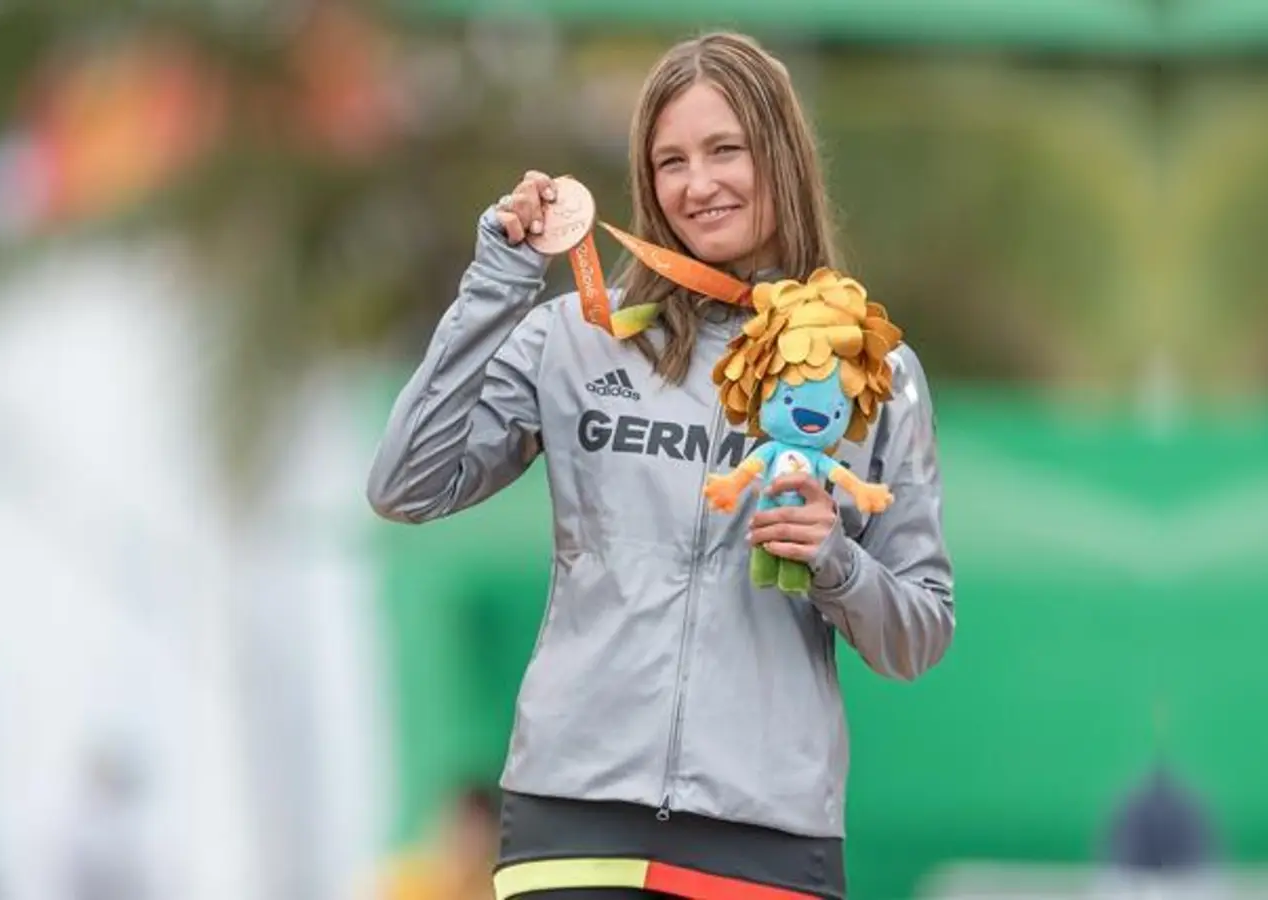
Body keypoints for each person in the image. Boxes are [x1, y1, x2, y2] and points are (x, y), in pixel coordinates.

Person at [366, 31, 955, 900]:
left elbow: (920, 632)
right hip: (571, 818)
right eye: (670, 161)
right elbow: (406, 483)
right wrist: (498, 279)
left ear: (782, 158)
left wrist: (834, 560)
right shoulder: (574, 339)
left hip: (768, 836)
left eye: (726, 150)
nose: (698, 184)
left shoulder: (871, 366)